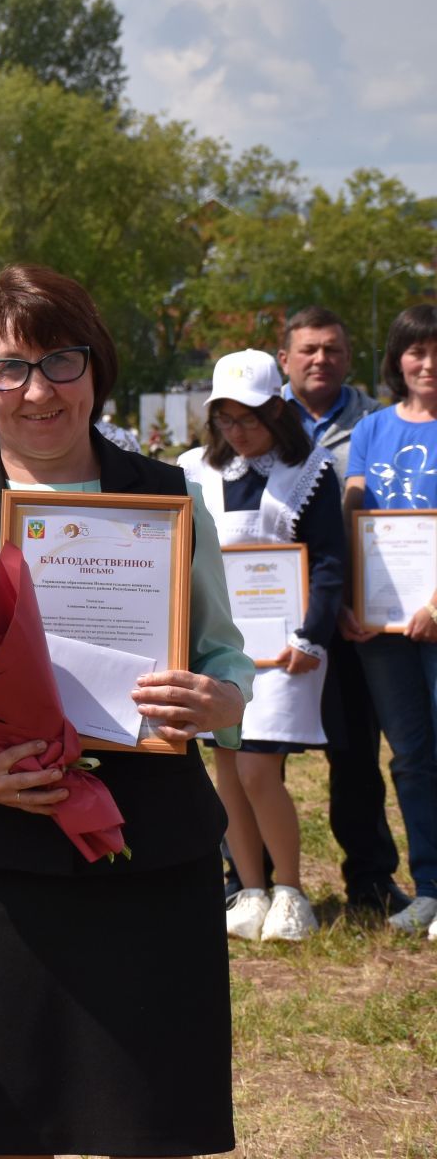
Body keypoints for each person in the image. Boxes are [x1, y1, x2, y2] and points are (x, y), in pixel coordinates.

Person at [0, 265, 250, 1157]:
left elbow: (224, 658)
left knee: (152, 1125)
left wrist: (218, 699)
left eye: (61, 361)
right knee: (7, 1128)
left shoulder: (170, 498)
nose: (38, 391)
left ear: (96, 368)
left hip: (153, 861)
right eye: (8, 369)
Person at [179, 351, 343, 942]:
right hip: (221, 648)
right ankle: (249, 888)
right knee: (226, 765)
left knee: (257, 769)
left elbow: (327, 562)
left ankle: (292, 890)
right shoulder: (194, 470)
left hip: (286, 652)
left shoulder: (311, 471)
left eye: (249, 418)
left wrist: (311, 636)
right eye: (226, 419)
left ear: (278, 411)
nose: (237, 431)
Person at [278, 305, 408, 916]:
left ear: (348, 356)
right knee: (257, 754)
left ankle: (371, 880)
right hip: (272, 620)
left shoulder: (378, 426)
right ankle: (250, 876)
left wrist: (356, 603)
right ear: (285, 358)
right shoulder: (252, 418)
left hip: (355, 614)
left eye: (331, 348)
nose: (319, 359)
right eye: (307, 349)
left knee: (356, 754)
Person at [342, 303, 437, 937]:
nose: (427, 364)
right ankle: (429, 888)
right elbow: (354, 516)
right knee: (409, 757)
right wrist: (354, 598)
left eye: (436, 352)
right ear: (397, 358)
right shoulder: (370, 430)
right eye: (415, 351)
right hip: (381, 629)